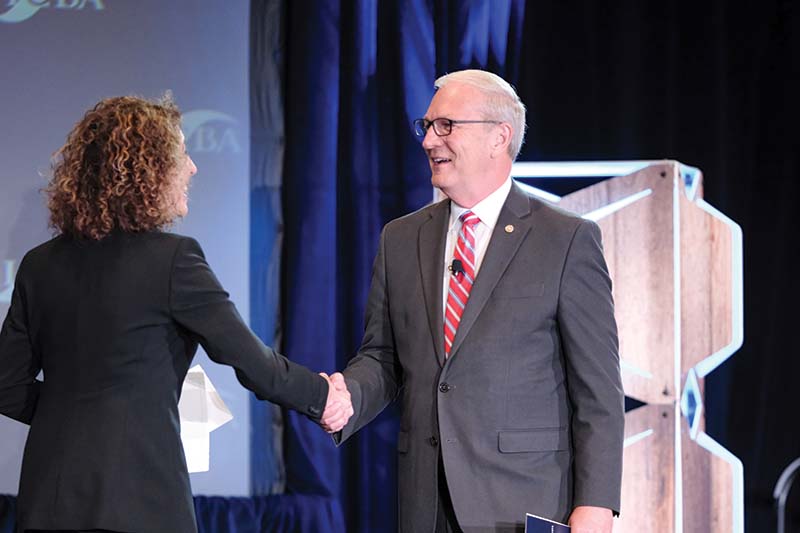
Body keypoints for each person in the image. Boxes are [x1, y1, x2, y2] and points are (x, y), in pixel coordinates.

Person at [0, 95, 352, 533]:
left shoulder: (38, 264)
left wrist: (72, 416)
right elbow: (251, 362)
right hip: (139, 501)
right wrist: (322, 397)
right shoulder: (174, 260)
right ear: (150, 168)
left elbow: (7, 386)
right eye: (183, 153)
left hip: (47, 502)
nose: (192, 167)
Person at [324, 70, 624, 532]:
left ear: (498, 137)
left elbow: (598, 391)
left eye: (446, 125)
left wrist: (597, 505)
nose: (428, 141)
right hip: (426, 503)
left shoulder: (565, 240)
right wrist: (349, 396)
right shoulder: (401, 238)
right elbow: (383, 357)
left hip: (523, 503)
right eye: (426, 127)